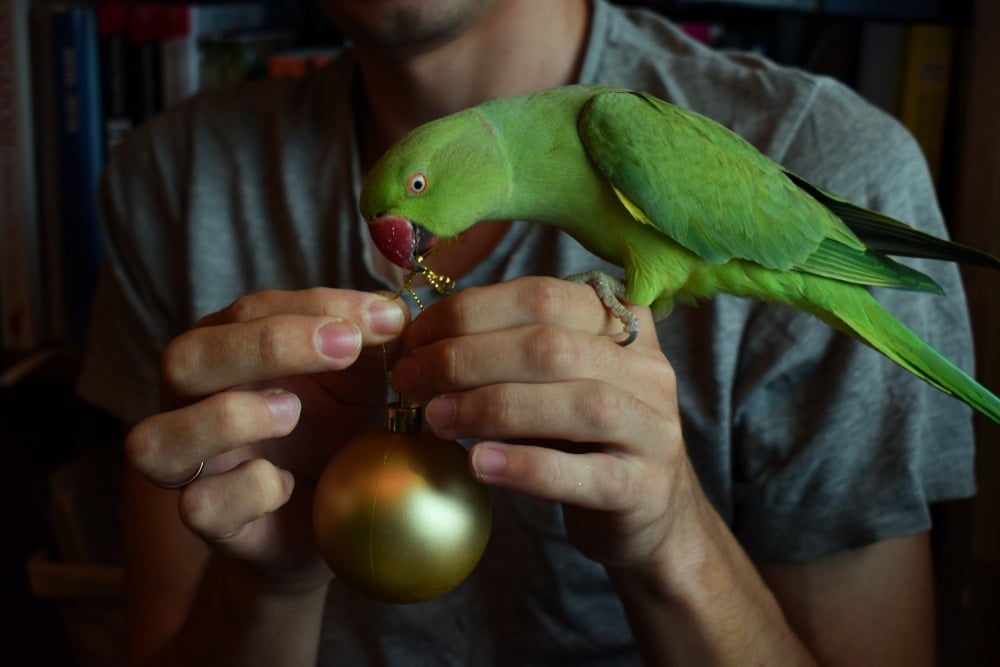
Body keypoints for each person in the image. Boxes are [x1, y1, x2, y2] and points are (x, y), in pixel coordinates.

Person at [78, 0, 976, 664]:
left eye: (419, 196)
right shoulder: (168, 176)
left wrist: (672, 537)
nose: (407, 235)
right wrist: (266, 571)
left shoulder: (802, 142)